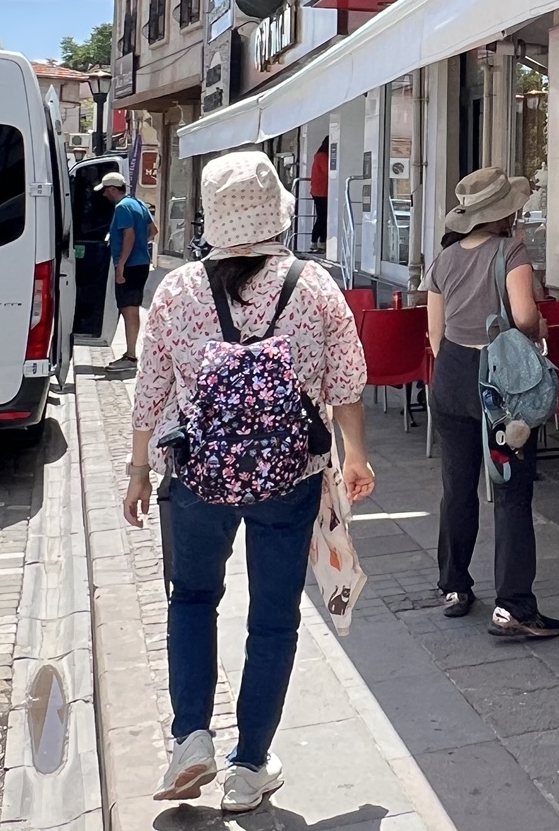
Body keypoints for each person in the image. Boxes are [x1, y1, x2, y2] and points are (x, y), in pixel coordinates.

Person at [121, 151, 374, 813]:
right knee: (273, 617)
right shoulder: (314, 286)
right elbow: (348, 381)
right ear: (275, 213)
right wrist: (355, 455)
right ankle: (249, 765)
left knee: (191, 598)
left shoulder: (177, 290)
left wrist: (138, 468)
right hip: (290, 476)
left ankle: (191, 738)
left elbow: (150, 388)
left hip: (197, 474)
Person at [425, 166, 559, 641]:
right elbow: (523, 317)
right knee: (510, 490)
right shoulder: (512, 251)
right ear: (504, 212)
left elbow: (435, 333)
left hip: (451, 376)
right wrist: (538, 326)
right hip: (500, 387)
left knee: (457, 486)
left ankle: (453, 586)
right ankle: (513, 606)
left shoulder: (444, 259)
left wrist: (456, 367)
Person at [98, 171, 154, 368]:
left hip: (129, 265)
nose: (104, 194)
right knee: (131, 308)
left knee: (129, 309)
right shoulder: (138, 203)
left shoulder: (122, 207)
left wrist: (121, 263)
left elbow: (128, 235)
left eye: (106, 190)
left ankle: (130, 356)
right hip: (141, 263)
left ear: (113, 189)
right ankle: (130, 353)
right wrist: (141, 246)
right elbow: (153, 230)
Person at [308, 140, 329, 250]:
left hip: (318, 190)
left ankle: (319, 241)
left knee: (322, 217)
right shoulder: (322, 156)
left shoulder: (319, 156)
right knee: (322, 217)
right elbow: (328, 171)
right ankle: (317, 241)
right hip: (322, 191)